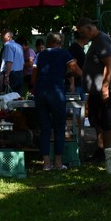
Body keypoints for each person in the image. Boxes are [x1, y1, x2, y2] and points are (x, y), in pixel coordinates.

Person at [32, 32, 81, 171]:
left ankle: (46, 163)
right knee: (59, 128)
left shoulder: (40, 54)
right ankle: (58, 162)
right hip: (56, 92)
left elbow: (34, 73)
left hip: (41, 93)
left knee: (45, 128)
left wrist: (34, 86)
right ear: (61, 43)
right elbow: (75, 70)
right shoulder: (64, 54)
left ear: (48, 42)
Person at [77, 17, 111, 161]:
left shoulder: (102, 40)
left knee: (106, 122)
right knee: (96, 121)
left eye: (83, 32)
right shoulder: (95, 41)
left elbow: (109, 64)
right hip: (95, 90)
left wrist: (105, 87)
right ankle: (100, 150)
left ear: (89, 29)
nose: (82, 36)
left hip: (104, 90)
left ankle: (108, 153)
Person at [0, 28, 24, 94]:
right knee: (18, 97)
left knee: (9, 98)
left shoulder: (8, 46)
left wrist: (7, 76)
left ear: (8, 37)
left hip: (11, 75)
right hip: (20, 73)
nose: (1, 38)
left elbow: (9, 62)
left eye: (2, 36)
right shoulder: (18, 46)